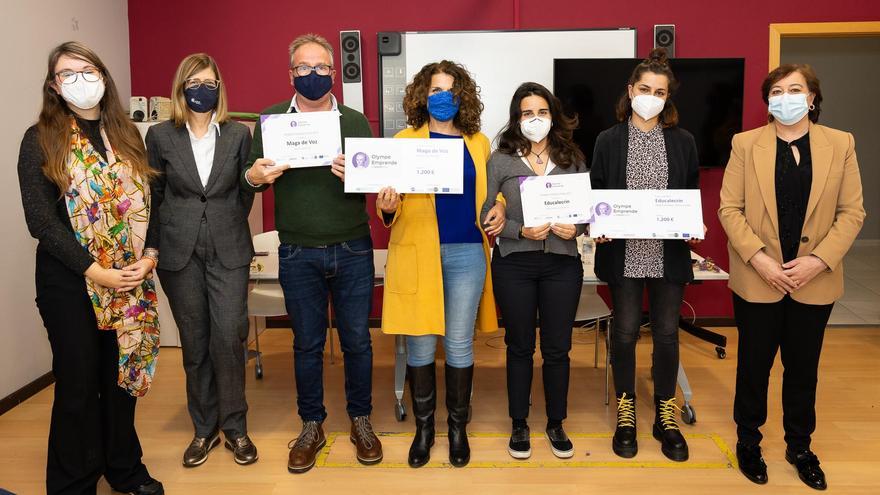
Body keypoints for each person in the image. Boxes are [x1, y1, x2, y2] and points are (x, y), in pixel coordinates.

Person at [17, 41, 163, 495]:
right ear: (54, 86)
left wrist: (150, 255)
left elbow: (150, 203)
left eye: (88, 69)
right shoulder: (40, 138)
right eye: (67, 73)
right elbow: (40, 220)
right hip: (71, 282)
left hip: (130, 280)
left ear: (103, 75)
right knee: (78, 384)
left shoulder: (128, 135)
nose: (80, 79)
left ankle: (123, 468)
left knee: (121, 377)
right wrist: (94, 270)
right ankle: (73, 482)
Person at [718, 64, 864, 490]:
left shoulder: (841, 144)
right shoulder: (745, 144)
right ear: (767, 101)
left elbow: (852, 212)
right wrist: (760, 259)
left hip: (814, 279)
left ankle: (800, 446)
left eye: (795, 89)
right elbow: (730, 209)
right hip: (757, 277)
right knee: (753, 366)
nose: (786, 97)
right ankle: (749, 441)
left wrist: (817, 260)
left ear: (812, 97)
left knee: (803, 369)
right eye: (777, 91)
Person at [241, 33, 382, 474]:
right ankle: (311, 424)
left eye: (322, 67)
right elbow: (252, 178)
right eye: (304, 68)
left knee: (358, 341)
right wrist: (256, 174)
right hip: (298, 250)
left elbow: (376, 184)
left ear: (334, 72)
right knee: (307, 343)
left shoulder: (357, 122)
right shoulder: (270, 121)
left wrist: (356, 176)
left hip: (353, 247)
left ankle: (361, 420)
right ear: (291, 74)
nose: (314, 75)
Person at [376, 60, 504, 468]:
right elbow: (388, 207)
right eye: (435, 90)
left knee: (460, 342)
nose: (442, 97)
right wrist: (387, 208)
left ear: (461, 96)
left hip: (467, 251)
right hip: (417, 252)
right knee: (419, 341)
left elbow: (493, 192)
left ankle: (458, 429)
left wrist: (499, 206)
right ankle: (424, 429)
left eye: (450, 90)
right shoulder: (402, 139)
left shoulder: (479, 142)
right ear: (421, 95)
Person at [590, 48, 703, 462]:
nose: (651, 96)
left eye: (659, 91)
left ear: (667, 96)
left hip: (667, 253)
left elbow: (690, 193)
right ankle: (627, 413)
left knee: (668, 334)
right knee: (623, 333)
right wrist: (597, 225)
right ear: (630, 90)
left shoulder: (684, 141)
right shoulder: (607, 140)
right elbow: (596, 194)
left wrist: (692, 222)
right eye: (644, 88)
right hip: (624, 253)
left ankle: (665, 414)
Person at [144, 53, 257, 467]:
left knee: (229, 338)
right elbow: (153, 197)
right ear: (181, 88)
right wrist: (153, 248)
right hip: (179, 251)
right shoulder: (158, 136)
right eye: (193, 82)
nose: (201, 89)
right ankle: (204, 429)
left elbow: (244, 191)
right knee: (195, 343)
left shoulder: (238, 135)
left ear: (219, 88)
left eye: (208, 82)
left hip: (228, 248)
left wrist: (222, 224)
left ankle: (236, 428)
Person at [481, 82, 586, 460]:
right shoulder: (500, 160)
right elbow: (486, 213)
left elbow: (589, 213)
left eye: (542, 112)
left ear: (552, 116)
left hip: (562, 263)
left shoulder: (571, 157)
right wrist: (517, 230)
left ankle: (556, 422)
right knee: (520, 347)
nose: (535, 119)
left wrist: (579, 227)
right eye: (527, 113)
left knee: (558, 348)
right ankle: (519, 423)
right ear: (517, 119)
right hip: (515, 263)